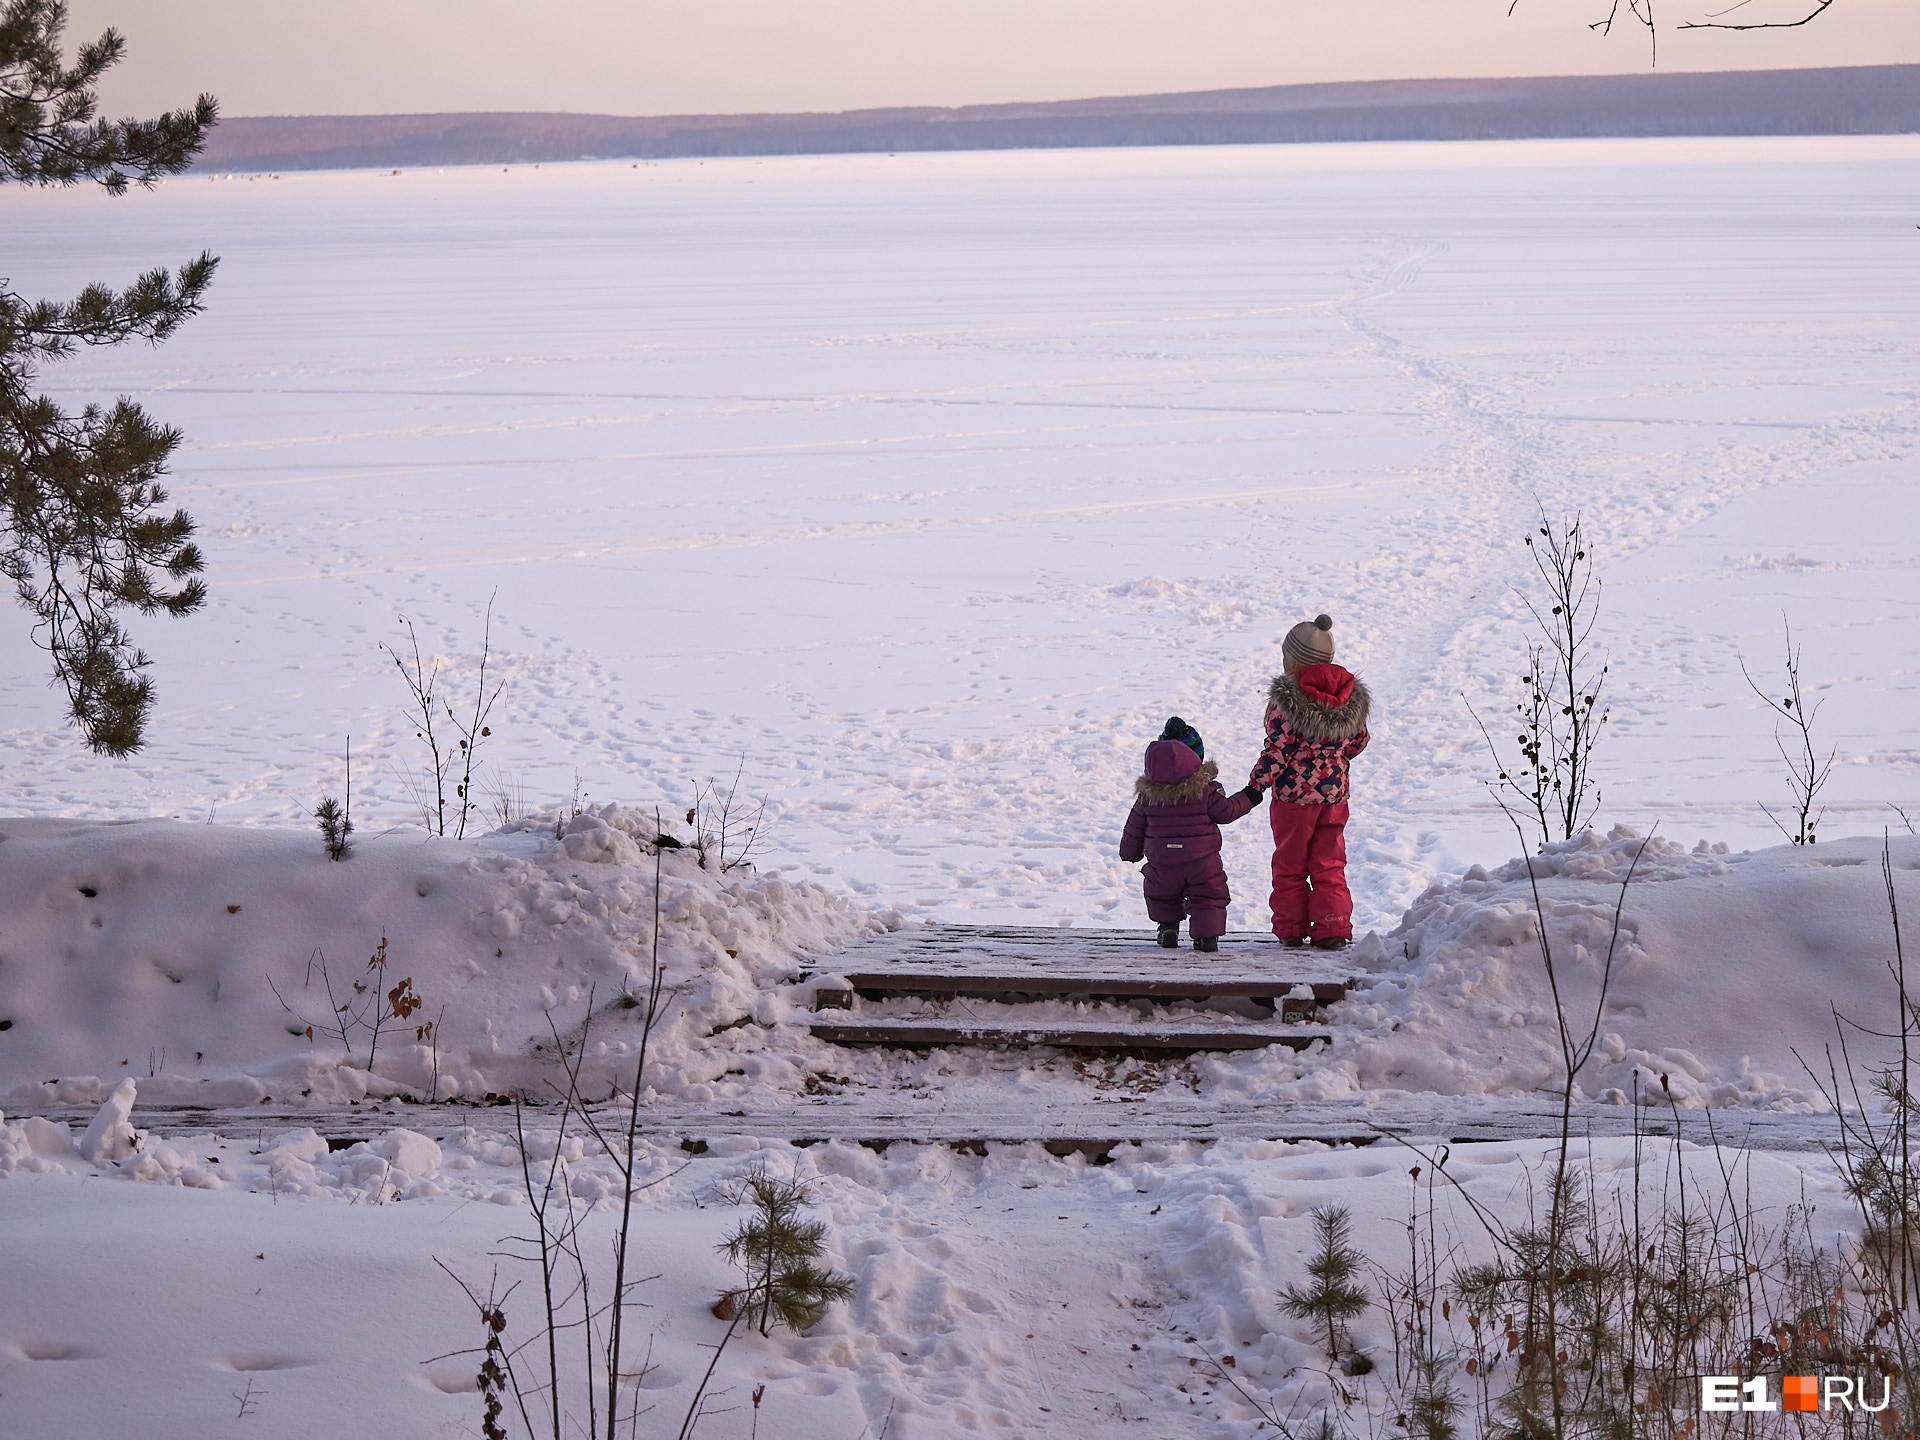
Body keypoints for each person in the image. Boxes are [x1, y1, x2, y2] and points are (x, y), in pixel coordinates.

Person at [1247, 615, 1372, 950]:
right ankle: (1331, 928)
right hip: (1334, 799)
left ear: (1292, 659)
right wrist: (1332, 761)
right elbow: (1358, 742)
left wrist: (1257, 783)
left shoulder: (1287, 699)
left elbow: (1278, 750)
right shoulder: (1351, 697)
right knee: (1329, 863)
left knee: (1290, 864)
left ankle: (1291, 929)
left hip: (1292, 802)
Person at [1119, 717, 1261, 953]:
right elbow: (1227, 811)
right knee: (1207, 896)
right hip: (1202, 861)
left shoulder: (1147, 796)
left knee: (1162, 895)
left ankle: (1168, 929)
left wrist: (1129, 852)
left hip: (1162, 862)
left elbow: (1134, 827)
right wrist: (1250, 796)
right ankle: (1207, 938)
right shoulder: (1207, 791)